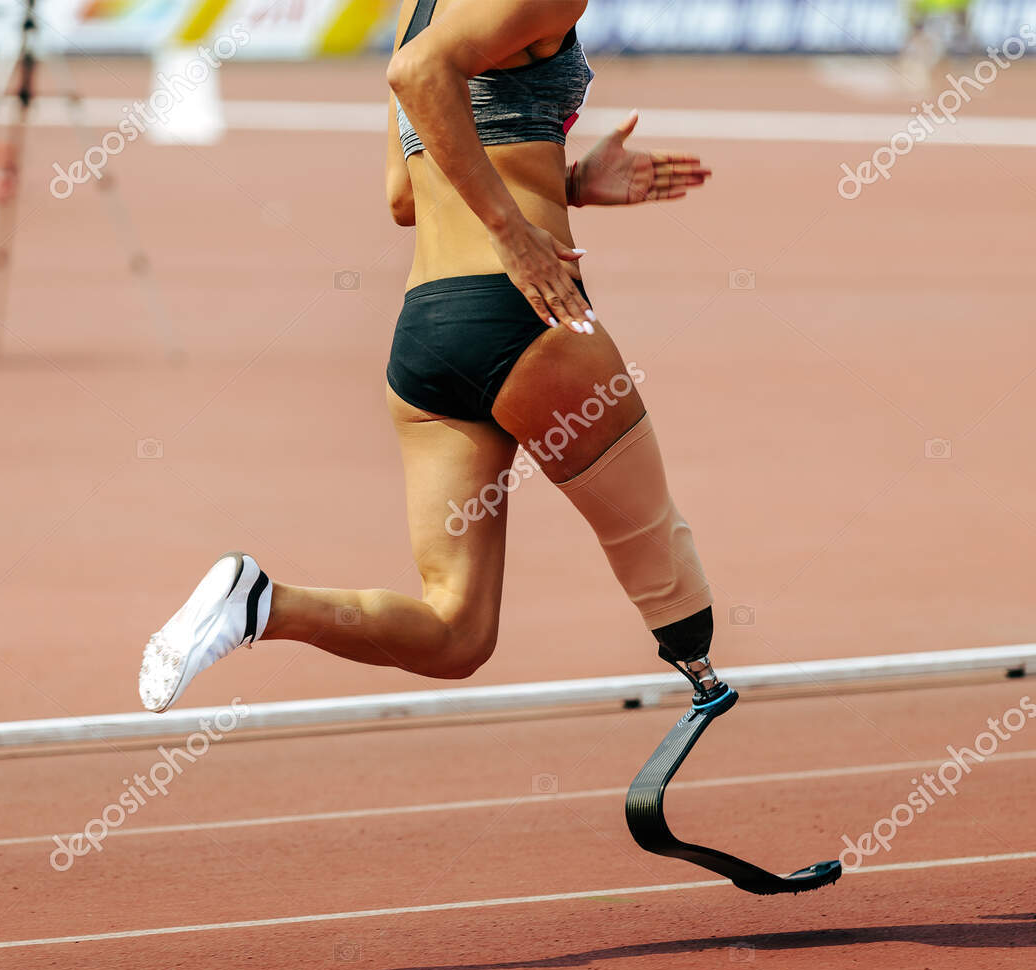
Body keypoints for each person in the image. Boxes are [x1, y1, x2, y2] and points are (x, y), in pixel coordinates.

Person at [139, 0, 723, 714]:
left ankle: (260, 602)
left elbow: (402, 196)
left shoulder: (419, 8)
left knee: (456, 631)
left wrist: (567, 185)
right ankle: (705, 678)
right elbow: (418, 74)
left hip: (430, 335)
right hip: (530, 315)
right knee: (648, 534)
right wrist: (513, 228)